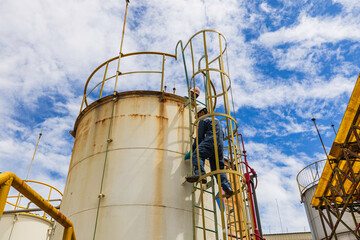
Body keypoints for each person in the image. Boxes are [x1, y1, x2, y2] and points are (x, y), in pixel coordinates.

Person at [186, 106, 234, 198]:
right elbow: (222, 135)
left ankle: (200, 174)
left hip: (211, 141)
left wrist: (192, 150)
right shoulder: (217, 121)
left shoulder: (204, 120)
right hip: (219, 146)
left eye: (197, 115)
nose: (197, 118)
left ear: (201, 112)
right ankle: (227, 187)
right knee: (218, 169)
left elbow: (199, 137)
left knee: (198, 154)